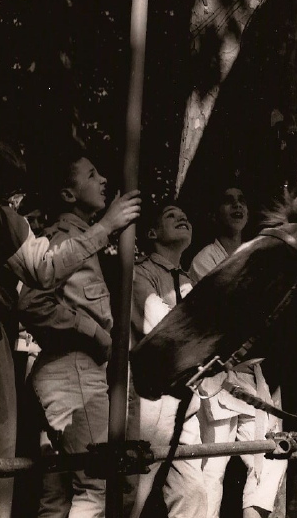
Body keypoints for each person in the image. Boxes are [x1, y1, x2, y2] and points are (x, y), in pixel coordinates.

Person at [17, 150, 141, 518]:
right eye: (91, 174)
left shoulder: (83, 238)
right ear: (68, 195)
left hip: (68, 374)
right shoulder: (64, 239)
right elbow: (32, 303)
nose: (103, 180)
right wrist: (92, 332)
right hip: (72, 371)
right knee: (96, 487)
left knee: (57, 497)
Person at [190, 186, 286, 518]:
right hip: (217, 374)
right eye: (228, 200)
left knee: (271, 456)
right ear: (214, 213)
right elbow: (215, 316)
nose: (237, 205)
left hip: (252, 375)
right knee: (213, 467)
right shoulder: (205, 259)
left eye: (242, 200)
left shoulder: (256, 254)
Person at [130, 202, 206, 518]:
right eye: (170, 215)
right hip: (151, 399)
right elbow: (159, 325)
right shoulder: (140, 272)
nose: (182, 217)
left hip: (186, 397)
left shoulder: (191, 282)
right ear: (152, 233)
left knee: (193, 492)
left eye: (184, 214)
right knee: (135, 495)